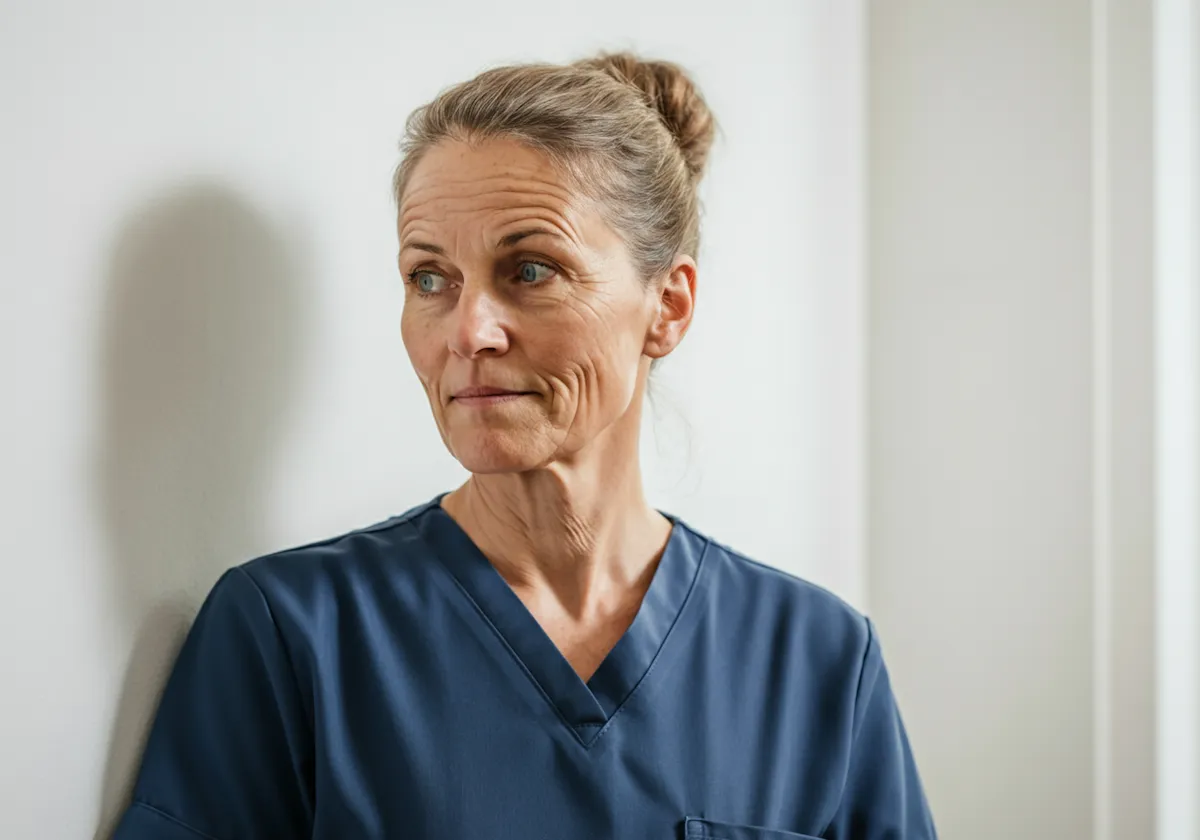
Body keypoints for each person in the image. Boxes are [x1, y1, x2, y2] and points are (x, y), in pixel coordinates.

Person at [112, 52, 937, 840]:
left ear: (668, 306)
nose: (468, 331)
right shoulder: (290, 637)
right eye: (429, 278)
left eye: (531, 270)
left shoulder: (818, 661)